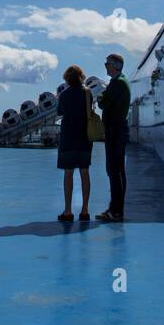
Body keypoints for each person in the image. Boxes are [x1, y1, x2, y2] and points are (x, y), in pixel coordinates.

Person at [55, 65, 93, 222]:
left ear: (67, 79)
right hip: (84, 137)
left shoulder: (64, 94)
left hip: (68, 138)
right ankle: (85, 210)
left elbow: (59, 112)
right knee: (84, 173)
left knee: (68, 173)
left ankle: (68, 211)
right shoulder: (87, 93)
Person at [96, 54, 130, 222]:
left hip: (115, 131)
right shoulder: (119, 82)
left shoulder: (118, 84)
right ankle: (116, 209)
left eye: (107, 63)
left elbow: (102, 103)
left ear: (115, 66)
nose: (105, 66)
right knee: (118, 170)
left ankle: (116, 211)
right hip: (118, 130)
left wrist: (99, 95)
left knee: (113, 170)